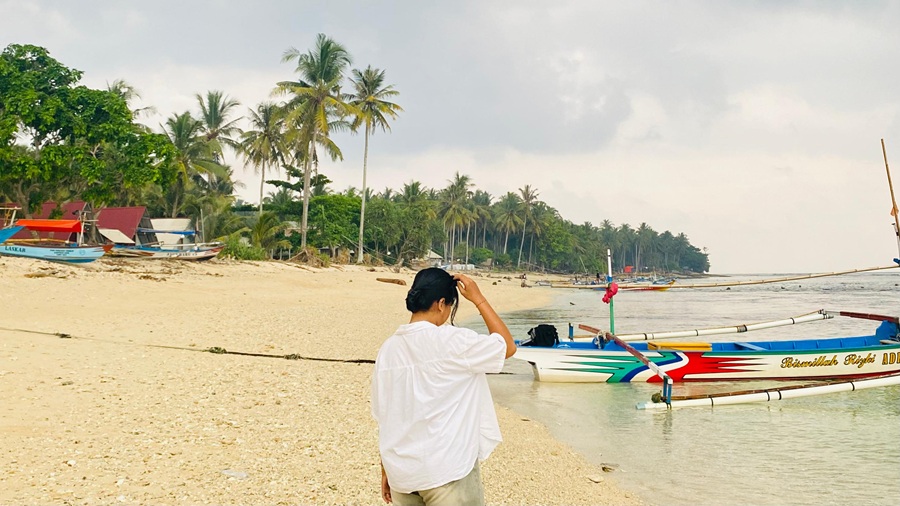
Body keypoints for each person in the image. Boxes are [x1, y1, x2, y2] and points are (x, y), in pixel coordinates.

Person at [371, 268, 515, 505]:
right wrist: (478, 299)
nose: (448, 313)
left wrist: (386, 468)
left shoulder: (388, 349)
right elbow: (507, 346)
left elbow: (385, 414)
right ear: (440, 304)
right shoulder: (451, 340)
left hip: (402, 474)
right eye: (449, 306)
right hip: (446, 470)